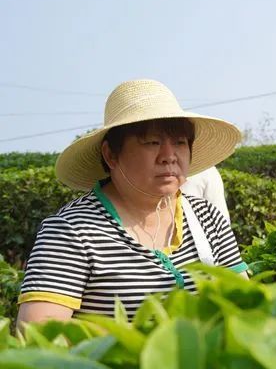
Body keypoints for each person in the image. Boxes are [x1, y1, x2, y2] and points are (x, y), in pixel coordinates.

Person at [17, 79, 248, 326]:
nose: (169, 156)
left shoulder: (207, 217)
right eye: (152, 142)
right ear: (111, 154)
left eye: (180, 142)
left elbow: (245, 306)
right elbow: (38, 334)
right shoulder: (71, 231)